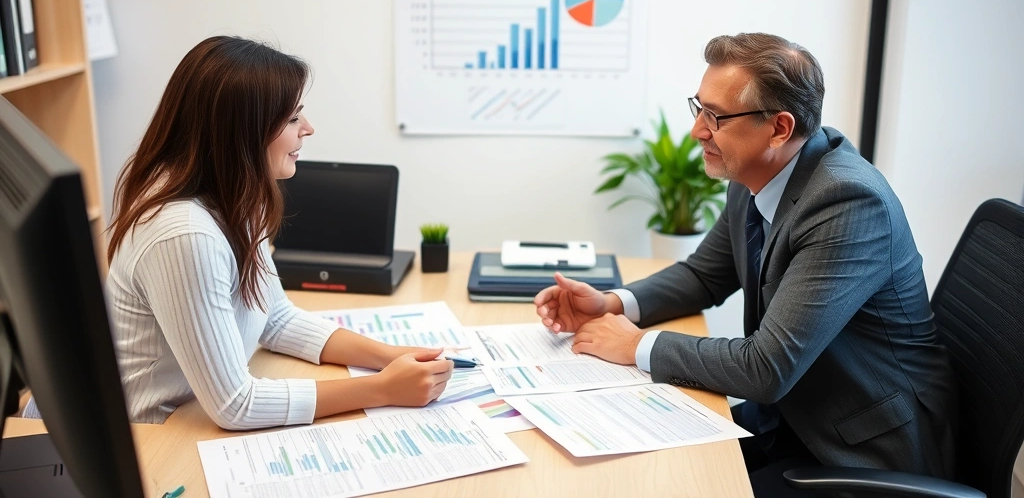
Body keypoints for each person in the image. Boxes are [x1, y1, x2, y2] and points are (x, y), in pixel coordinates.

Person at [535, 33, 957, 494]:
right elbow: (703, 276)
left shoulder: (848, 203)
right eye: (698, 108)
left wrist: (636, 345)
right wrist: (612, 303)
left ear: (778, 128)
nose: (698, 130)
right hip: (790, 417)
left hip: (859, 450)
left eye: (715, 116)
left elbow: (766, 367)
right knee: (638, 465)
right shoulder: (758, 170)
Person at [105, 36, 453, 430]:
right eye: (292, 119)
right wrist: (383, 389)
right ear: (241, 133)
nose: (308, 128)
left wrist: (388, 357)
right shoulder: (183, 234)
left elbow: (275, 319)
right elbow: (236, 405)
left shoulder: (235, 197)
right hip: (155, 436)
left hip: (191, 415)